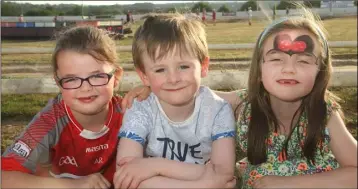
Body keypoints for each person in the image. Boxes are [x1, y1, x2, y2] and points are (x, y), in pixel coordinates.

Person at [121, 5, 357, 189]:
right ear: (259, 67)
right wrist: (152, 88)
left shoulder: (323, 112)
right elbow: (191, 93)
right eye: (276, 59)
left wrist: (288, 183)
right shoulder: (243, 103)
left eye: (303, 61)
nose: (289, 69)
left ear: (321, 70)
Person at [114, 13, 236, 189]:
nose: (173, 79)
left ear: (203, 66)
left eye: (183, 66)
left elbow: (224, 174)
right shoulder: (140, 108)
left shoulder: (218, 109)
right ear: (144, 76)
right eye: (160, 70)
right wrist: (206, 183)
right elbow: (126, 175)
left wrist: (154, 165)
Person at [1, 26, 125, 189]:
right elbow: (4, 178)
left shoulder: (131, 111)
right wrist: (72, 185)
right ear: (58, 82)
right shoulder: (49, 122)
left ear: (116, 78)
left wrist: (149, 95)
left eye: (96, 76)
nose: (85, 88)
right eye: (71, 79)